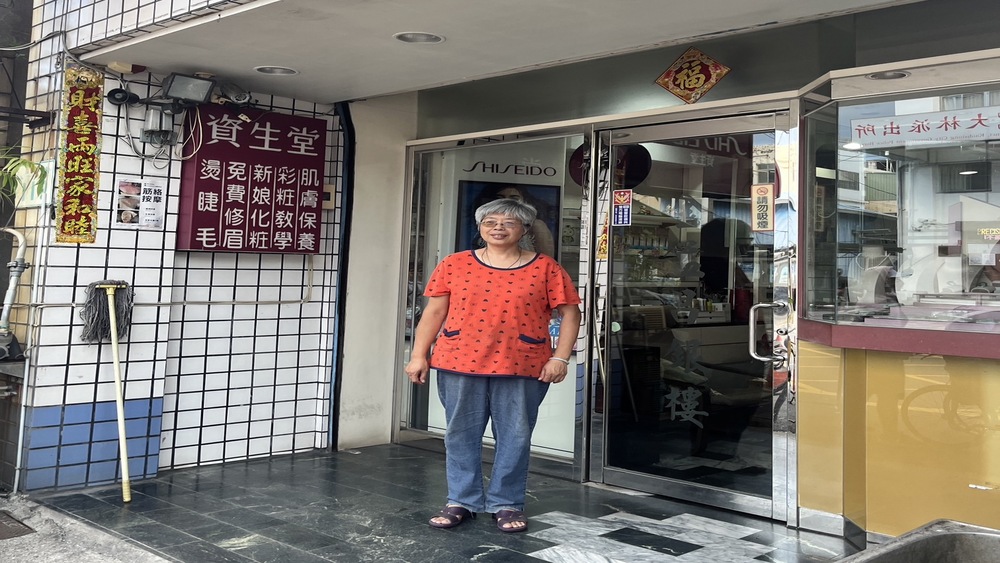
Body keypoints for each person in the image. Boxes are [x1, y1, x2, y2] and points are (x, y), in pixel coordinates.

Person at [404, 198, 581, 534]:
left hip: (522, 363)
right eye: (490, 222)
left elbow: (571, 313)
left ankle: (506, 502)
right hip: (459, 360)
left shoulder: (546, 268)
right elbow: (435, 312)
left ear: (524, 229)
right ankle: (461, 500)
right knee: (460, 434)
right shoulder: (454, 264)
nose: (498, 227)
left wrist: (560, 357)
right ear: (480, 227)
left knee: (515, 436)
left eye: (508, 222)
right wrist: (418, 355)